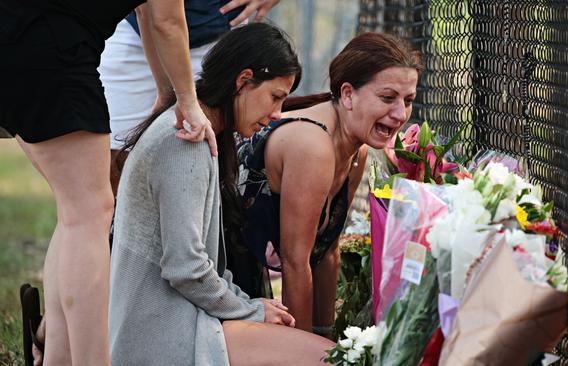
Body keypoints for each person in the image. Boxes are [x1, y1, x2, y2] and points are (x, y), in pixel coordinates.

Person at [0, 0, 216, 364]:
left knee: (76, 212)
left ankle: (58, 358)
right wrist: (187, 101)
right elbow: (167, 20)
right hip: (48, 43)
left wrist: (164, 90)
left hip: (19, 31)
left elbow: (149, 12)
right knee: (89, 214)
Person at [108, 23, 333, 365]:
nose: (276, 115)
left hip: (182, 318)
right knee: (328, 358)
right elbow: (186, 268)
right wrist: (250, 310)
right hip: (162, 333)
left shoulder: (198, 132)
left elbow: (201, 264)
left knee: (324, 352)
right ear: (243, 81)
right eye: (275, 97)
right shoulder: (185, 141)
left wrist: (250, 305)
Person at [231, 32, 423, 336]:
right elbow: (296, 262)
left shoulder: (356, 151)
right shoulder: (313, 145)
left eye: (408, 100)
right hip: (215, 277)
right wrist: (304, 350)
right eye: (387, 98)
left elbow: (327, 250)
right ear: (347, 95)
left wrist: (327, 335)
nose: (400, 114)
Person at [99, 0, 281, 195]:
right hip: (136, 26)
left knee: (209, 164)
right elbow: (163, 19)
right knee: (110, 171)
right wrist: (175, 93)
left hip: (217, 33)